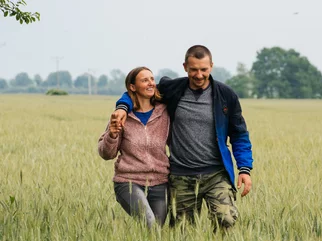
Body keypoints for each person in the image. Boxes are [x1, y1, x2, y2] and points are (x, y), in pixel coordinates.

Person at [113, 45, 253, 229]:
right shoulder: (172, 89)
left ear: (211, 66)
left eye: (204, 69)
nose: (199, 75)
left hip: (216, 174)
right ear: (185, 66)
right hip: (181, 175)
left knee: (226, 219)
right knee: (183, 230)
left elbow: (239, 134)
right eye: (193, 69)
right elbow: (139, 91)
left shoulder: (226, 96)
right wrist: (122, 107)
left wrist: (244, 169)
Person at [98, 66, 170, 228]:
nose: (151, 83)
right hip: (129, 181)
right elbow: (106, 154)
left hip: (160, 182)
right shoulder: (121, 116)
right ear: (132, 87)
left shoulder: (164, 112)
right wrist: (112, 134)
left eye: (152, 79)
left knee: (157, 231)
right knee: (150, 224)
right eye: (144, 80)